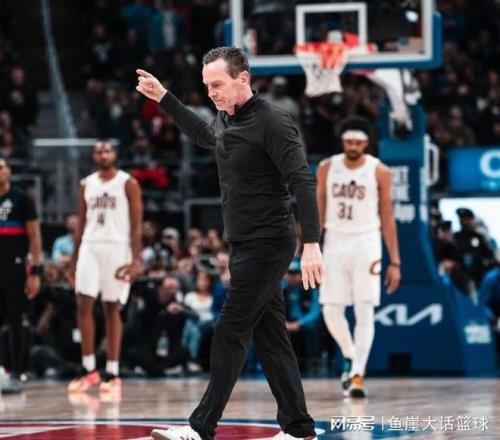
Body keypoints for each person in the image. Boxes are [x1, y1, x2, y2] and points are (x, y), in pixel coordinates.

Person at [136, 46, 323, 440]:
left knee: (229, 330)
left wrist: (311, 243)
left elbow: (302, 181)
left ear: (244, 79)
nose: (212, 93)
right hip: (242, 244)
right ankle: (299, 428)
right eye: (207, 87)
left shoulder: (274, 122)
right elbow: (205, 134)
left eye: (218, 85)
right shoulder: (225, 119)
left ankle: (200, 428)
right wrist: (164, 98)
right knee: (271, 337)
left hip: (269, 243)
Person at [316, 116, 401, 398]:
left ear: (366, 144)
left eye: (357, 142)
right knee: (330, 309)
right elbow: (318, 209)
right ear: (343, 142)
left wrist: (395, 261)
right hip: (335, 241)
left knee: (365, 309)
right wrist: (310, 245)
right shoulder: (327, 167)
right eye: (348, 142)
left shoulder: (379, 171)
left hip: (367, 242)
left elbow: (387, 215)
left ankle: (357, 375)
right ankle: (351, 354)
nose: (353, 146)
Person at [67, 140, 143, 396]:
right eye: (99, 151)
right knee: (83, 304)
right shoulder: (86, 184)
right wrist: (74, 259)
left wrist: (135, 259)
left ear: (115, 154)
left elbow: (136, 223)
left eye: (107, 150)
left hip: (117, 247)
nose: (103, 154)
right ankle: (88, 368)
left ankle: (112, 371)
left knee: (111, 308)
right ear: (94, 156)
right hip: (90, 245)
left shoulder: (127, 182)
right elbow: (80, 223)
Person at [0, 156, 42, 394]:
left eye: (1, 167)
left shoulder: (21, 198)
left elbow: (35, 236)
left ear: (8, 171)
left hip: (14, 267)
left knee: (15, 320)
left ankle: (16, 373)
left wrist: (35, 271)